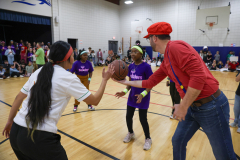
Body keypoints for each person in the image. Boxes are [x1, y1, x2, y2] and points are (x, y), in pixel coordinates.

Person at [113, 22, 237, 160]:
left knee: (224, 156)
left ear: (154, 38)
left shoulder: (175, 47)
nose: (149, 41)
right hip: (193, 106)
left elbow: (199, 76)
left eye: (149, 38)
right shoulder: (166, 58)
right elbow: (150, 82)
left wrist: (183, 106)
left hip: (211, 106)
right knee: (178, 141)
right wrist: (125, 82)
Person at [2, 41, 114, 160]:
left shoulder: (38, 72)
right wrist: (105, 80)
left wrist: (9, 121)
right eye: (72, 55)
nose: (73, 57)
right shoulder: (68, 78)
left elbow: (18, 98)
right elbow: (94, 100)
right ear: (67, 58)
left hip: (15, 131)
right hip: (38, 137)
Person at [115, 45, 153, 150]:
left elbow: (151, 83)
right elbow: (130, 83)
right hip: (132, 96)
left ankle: (148, 139)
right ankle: (130, 133)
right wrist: (125, 91)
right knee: (128, 116)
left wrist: (143, 94)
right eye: (131, 52)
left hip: (143, 96)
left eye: (135, 52)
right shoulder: (130, 67)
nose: (132, 54)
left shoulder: (146, 67)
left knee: (142, 119)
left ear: (141, 54)